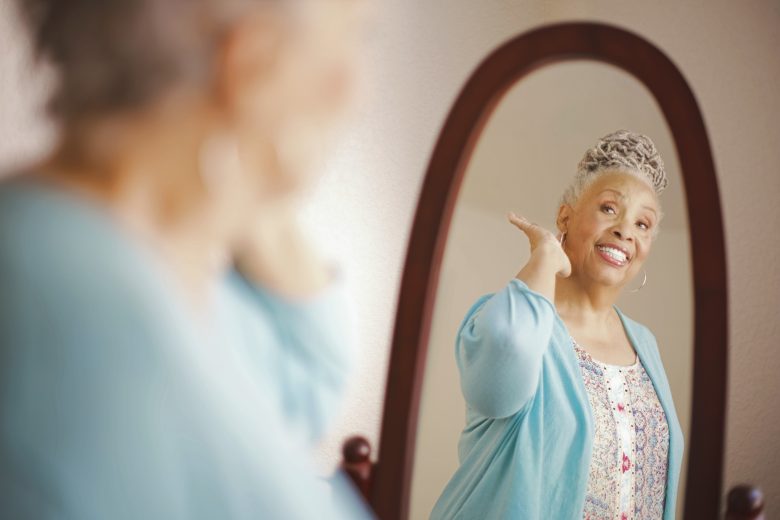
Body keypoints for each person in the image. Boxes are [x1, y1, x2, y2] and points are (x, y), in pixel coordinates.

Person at [0, 0, 373, 518]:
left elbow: (309, 369)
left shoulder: (153, 270)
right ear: (252, 61)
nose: (355, 91)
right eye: (356, 34)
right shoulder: (94, 333)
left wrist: (240, 179)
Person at [430, 130, 685, 519]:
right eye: (609, 209)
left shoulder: (645, 344)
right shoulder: (512, 321)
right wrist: (545, 258)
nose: (625, 231)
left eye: (643, 224)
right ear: (566, 216)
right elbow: (494, 386)